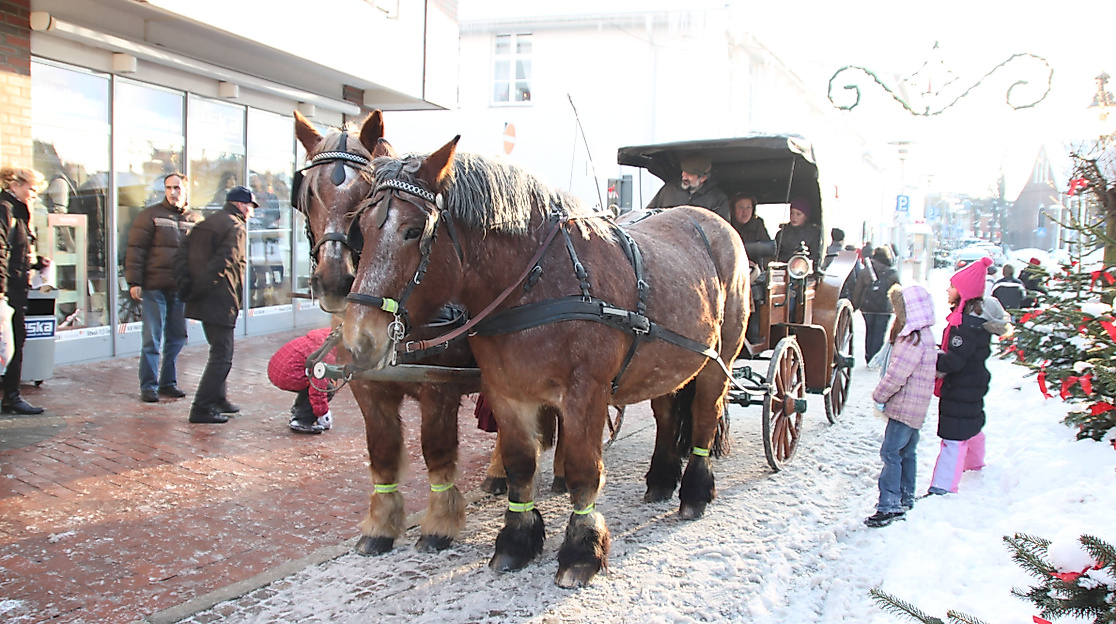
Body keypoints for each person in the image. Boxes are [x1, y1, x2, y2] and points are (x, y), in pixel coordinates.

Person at [927, 257, 1010, 496]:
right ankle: (974, 463)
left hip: (960, 385)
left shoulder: (964, 327)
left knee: (953, 437)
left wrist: (931, 358)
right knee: (971, 424)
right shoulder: (975, 321)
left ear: (963, 291)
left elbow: (954, 361)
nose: (948, 290)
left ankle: (942, 486)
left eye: (952, 286)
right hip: (973, 382)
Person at [175, 185, 255, 424]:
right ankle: (202, 407)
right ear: (241, 205)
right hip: (219, 298)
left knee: (218, 351)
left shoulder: (206, 222)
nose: (251, 211)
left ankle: (219, 399)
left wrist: (186, 288)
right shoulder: (235, 227)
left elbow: (180, 256)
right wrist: (198, 289)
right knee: (222, 355)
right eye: (250, 206)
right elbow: (223, 263)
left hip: (205, 297)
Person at [864, 284, 937, 528]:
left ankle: (889, 504)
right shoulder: (926, 336)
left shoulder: (912, 340)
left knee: (890, 453)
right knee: (908, 451)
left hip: (904, 407)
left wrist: (879, 395)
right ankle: (906, 496)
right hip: (917, 408)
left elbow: (896, 375)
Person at [124, 172, 201, 403]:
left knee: (177, 337)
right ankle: (149, 385)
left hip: (180, 288)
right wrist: (134, 282)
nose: (172, 192)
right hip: (154, 286)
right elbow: (135, 250)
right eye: (168, 188)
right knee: (152, 338)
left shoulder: (195, 218)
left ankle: (168, 382)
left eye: (177, 188)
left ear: (186, 190)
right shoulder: (150, 215)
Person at [0, 166, 50, 414]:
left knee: (15, 340)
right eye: (31, 188)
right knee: (13, 340)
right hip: (7, 291)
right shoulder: (5, 209)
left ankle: (11, 394)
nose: (34, 194)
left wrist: (36, 262)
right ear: (14, 185)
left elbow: (15, 252)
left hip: (16, 287)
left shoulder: (18, 211)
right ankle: (11, 395)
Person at [267, 327, 337, 434]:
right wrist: (323, 414)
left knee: (311, 380)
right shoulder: (326, 354)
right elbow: (318, 390)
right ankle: (302, 420)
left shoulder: (322, 337)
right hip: (287, 376)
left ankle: (298, 410)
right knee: (327, 389)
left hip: (276, 368)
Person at [850, 246, 902, 364]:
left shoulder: (866, 271)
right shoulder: (892, 273)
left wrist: (855, 305)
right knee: (880, 332)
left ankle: (868, 357)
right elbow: (898, 292)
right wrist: (898, 309)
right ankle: (875, 358)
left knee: (869, 332)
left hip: (868, 308)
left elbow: (858, 290)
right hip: (884, 309)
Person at [645, 154, 729, 221]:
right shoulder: (668, 190)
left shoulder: (717, 199)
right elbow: (647, 214)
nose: (684, 177)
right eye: (683, 172)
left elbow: (720, 231)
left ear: (703, 178)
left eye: (689, 174)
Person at [773, 197, 823, 268]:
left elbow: (815, 256)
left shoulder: (814, 233)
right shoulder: (781, 234)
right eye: (792, 213)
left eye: (798, 214)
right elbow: (775, 255)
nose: (794, 217)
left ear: (806, 216)